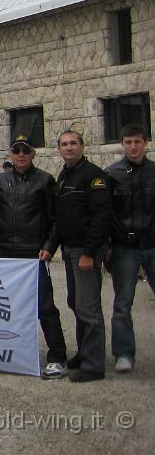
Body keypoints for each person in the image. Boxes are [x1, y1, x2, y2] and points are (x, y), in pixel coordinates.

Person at [0, 134, 68, 379]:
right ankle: (10, 351)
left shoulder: (45, 180)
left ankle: (57, 356)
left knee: (44, 306)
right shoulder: (0, 181)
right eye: (16, 150)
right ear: (10, 153)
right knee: (5, 306)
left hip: (33, 253)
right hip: (5, 254)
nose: (21, 154)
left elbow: (55, 219)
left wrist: (49, 246)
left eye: (26, 150)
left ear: (33, 154)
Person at [54, 130, 111, 383]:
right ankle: (83, 354)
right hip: (69, 250)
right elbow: (62, 217)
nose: (69, 148)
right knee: (75, 303)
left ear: (82, 146)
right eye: (64, 144)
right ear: (59, 149)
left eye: (73, 143)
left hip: (84, 252)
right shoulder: (64, 176)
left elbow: (101, 218)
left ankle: (94, 365)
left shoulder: (94, 176)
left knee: (89, 309)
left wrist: (89, 253)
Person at [105, 122, 155, 375]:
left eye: (137, 141)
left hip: (153, 244)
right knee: (123, 303)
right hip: (126, 248)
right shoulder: (112, 174)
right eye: (128, 142)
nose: (133, 146)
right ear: (122, 144)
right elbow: (106, 214)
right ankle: (124, 353)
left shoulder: (154, 172)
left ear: (145, 142)